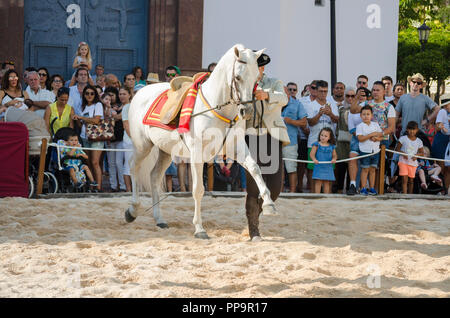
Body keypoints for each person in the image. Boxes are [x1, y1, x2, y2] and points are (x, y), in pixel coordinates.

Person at [244, 52, 289, 241]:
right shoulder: (244, 86)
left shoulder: (274, 82)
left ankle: (256, 214)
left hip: (273, 136)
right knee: (254, 187)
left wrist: (266, 95)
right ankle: (253, 228)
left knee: (275, 188)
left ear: (262, 68)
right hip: (251, 137)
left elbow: (284, 98)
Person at [306, 80, 339, 191]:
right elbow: (310, 122)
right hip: (314, 141)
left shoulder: (332, 104)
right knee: (312, 169)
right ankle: (313, 192)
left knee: (329, 168)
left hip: (329, 143)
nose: (323, 94)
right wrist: (319, 114)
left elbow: (337, 120)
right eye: (321, 91)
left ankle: (327, 194)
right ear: (316, 91)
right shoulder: (310, 105)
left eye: (325, 91)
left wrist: (330, 113)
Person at [72, 85, 104, 191]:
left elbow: (96, 120)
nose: (89, 95)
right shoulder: (82, 106)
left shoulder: (98, 104)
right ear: (84, 95)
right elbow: (82, 124)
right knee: (88, 162)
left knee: (95, 162)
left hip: (96, 137)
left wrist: (81, 117)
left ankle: (98, 187)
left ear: (95, 95)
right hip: (84, 136)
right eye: (87, 93)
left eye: (92, 93)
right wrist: (77, 119)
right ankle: (92, 185)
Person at [282, 83, 308, 192]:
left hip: (290, 141)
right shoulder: (272, 104)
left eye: (284, 91)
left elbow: (304, 122)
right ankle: (279, 192)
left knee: (291, 169)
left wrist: (291, 121)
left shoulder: (297, 104)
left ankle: (292, 192)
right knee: (277, 170)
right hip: (273, 141)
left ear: (288, 92)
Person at [356, 105, 384, 195]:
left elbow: (381, 136)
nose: (366, 116)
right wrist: (371, 135)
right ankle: (363, 188)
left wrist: (376, 138)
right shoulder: (360, 126)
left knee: (372, 169)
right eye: (363, 114)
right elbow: (360, 138)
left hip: (375, 151)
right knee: (365, 169)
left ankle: (371, 188)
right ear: (360, 116)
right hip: (365, 151)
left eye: (368, 114)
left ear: (371, 115)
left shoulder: (375, 125)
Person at [103, 88, 125, 192]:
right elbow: (106, 117)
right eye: (109, 95)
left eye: (113, 95)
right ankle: (113, 185)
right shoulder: (105, 107)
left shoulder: (123, 106)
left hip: (120, 138)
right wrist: (108, 107)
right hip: (109, 138)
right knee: (111, 163)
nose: (111, 97)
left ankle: (123, 185)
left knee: (119, 163)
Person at [395, 121, 424, 194]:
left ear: (417, 130)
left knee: (411, 180)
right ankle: (404, 195)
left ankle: (410, 195)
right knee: (404, 179)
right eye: (410, 129)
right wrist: (403, 153)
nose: (412, 131)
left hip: (413, 163)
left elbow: (422, 153)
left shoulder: (419, 141)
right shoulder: (403, 138)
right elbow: (397, 149)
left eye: (414, 129)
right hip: (403, 162)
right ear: (407, 129)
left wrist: (416, 156)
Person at [335, 87, 355, 193]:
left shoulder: (359, 109)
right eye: (348, 96)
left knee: (351, 166)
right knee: (341, 167)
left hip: (354, 141)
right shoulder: (340, 109)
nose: (350, 98)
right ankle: (338, 189)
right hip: (341, 142)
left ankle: (349, 189)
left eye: (353, 96)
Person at [116, 87, 133, 192]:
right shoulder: (127, 107)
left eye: (124, 94)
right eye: (120, 94)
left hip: (136, 140)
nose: (121, 96)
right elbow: (126, 126)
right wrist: (135, 139)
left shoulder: (133, 106)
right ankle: (128, 189)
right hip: (129, 140)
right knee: (128, 165)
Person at [310, 127, 337, 193]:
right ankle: (317, 196)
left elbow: (335, 155)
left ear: (329, 137)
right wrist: (314, 159)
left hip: (328, 167)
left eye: (325, 136)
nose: (323, 137)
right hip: (319, 166)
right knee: (318, 182)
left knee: (326, 182)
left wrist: (334, 159)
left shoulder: (331, 146)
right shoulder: (316, 145)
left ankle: (325, 196)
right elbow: (311, 154)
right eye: (321, 135)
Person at [431, 98, 449, 173]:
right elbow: (437, 127)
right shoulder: (442, 112)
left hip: (447, 141)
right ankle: (441, 184)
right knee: (442, 167)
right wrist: (441, 126)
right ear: (446, 105)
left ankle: (446, 184)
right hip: (442, 140)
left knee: (447, 168)